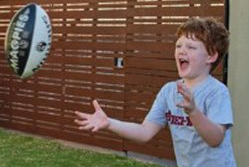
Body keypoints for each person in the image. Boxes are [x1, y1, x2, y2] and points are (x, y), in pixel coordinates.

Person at [74, 17, 235, 167]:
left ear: (211, 56)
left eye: (191, 47)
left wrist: (193, 112)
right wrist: (109, 123)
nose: (181, 51)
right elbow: (145, 132)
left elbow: (216, 139)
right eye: (178, 45)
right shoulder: (168, 91)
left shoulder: (216, 92)